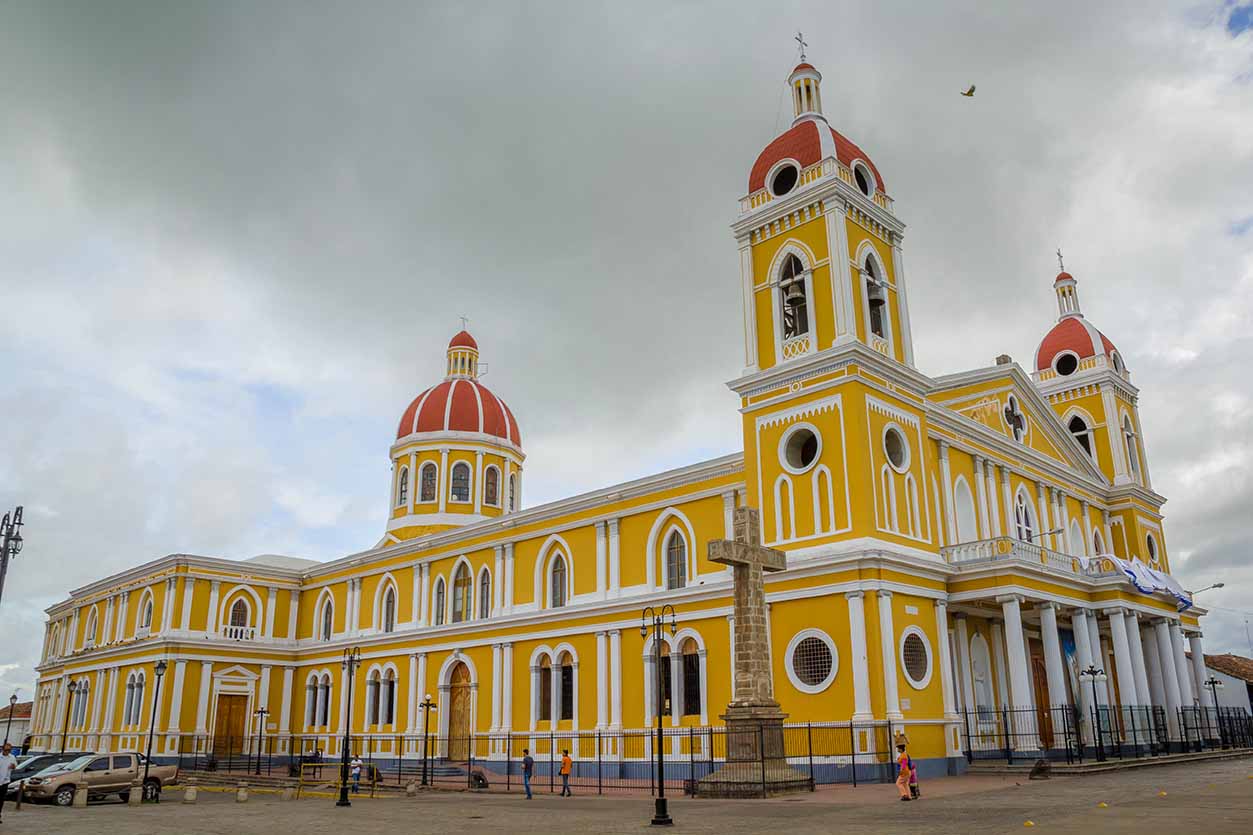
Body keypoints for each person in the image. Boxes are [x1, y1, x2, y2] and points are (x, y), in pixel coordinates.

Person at [0, 742, 18, 824]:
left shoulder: (12, 757)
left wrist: (13, 766)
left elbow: (15, 766)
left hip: (5, 781)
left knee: (1, 800)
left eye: (9, 750)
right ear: (3, 749)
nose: (8, 751)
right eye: (6, 749)